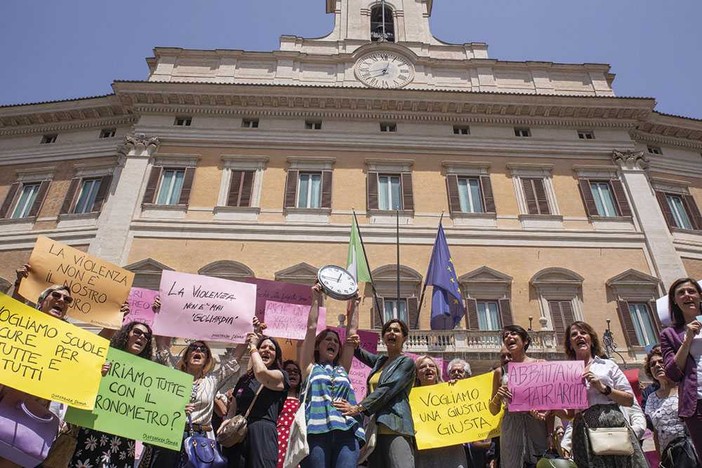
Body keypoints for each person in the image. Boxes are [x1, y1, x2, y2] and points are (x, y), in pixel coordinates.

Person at [148, 298, 247, 467]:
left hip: (200, 440)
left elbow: (234, 359)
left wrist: (247, 328)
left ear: (207, 358)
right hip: (170, 435)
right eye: (194, 348)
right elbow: (162, 348)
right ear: (186, 356)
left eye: (203, 350)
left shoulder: (212, 380)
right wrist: (160, 315)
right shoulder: (175, 374)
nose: (198, 351)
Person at [68, 321, 154, 468]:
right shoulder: (104, 357)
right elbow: (79, 378)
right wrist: (97, 373)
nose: (141, 337)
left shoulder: (149, 375)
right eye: (137, 333)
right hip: (94, 431)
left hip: (124, 440)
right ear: (126, 334)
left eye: (146, 336)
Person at [297, 285, 365, 468]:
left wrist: (356, 304)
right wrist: (315, 299)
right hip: (315, 431)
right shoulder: (309, 367)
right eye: (328, 339)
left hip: (346, 429)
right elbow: (311, 328)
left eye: (336, 341)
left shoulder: (343, 368)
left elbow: (351, 333)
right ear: (318, 346)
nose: (333, 343)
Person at [563, 320, 647, 467]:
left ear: (591, 339)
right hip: (584, 431)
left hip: (613, 426)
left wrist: (603, 387)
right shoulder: (565, 373)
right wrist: (553, 411)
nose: (579, 336)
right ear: (570, 344)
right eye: (574, 334)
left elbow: (628, 400)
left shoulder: (608, 365)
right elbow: (570, 414)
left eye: (583, 333)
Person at [334, 319, 416, 468]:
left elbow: (387, 389)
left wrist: (358, 407)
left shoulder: (406, 363)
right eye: (388, 330)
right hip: (374, 430)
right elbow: (360, 353)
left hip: (395, 427)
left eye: (396, 330)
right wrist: (355, 343)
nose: (391, 332)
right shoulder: (381, 361)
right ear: (384, 337)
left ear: (404, 338)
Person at [489, 325, 552, 468]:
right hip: (511, 424)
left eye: (513, 334)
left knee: (541, 463)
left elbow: (550, 402)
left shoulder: (541, 365)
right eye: (505, 336)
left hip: (536, 423)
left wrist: (550, 433)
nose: (508, 337)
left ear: (525, 341)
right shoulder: (500, 372)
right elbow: (493, 410)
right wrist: (498, 397)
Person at [224, 333, 289, 468]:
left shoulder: (280, 376)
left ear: (276, 356)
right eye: (263, 347)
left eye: (271, 349)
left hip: (263, 433)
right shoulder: (244, 380)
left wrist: (253, 346)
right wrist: (226, 422)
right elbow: (233, 408)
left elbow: (261, 373)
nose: (266, 350)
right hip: (239, 433)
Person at [660, 277, 702, 457]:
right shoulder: (669, 334)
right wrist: (687, 340)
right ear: (675, 302)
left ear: (700, 296)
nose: (687, 295)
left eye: (691, 291)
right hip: (696, 403)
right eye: (681, 293)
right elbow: (672, 373)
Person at [644, 344, 699, 467]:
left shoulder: (685, 388)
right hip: (671, 458)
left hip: (693, 452)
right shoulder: (651, 398)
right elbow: (656, 433)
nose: (657, 365)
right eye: (652, 364)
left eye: (661, 361)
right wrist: (661, 461)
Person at [414, 355, 467, 468]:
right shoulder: (410, 397)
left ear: (437, 372)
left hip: (451, 452)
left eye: (432, 366)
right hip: (425, 452)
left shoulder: (450, 391)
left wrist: (458, 389)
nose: (428, 368)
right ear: (416, 374)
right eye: (423, 367)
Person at [276, 360, 302, 468]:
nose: (293, 373)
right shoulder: (276, 397)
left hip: (298, 441)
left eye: (296, 371)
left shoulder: (304, 398)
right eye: (289, 371)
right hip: (279, 439)